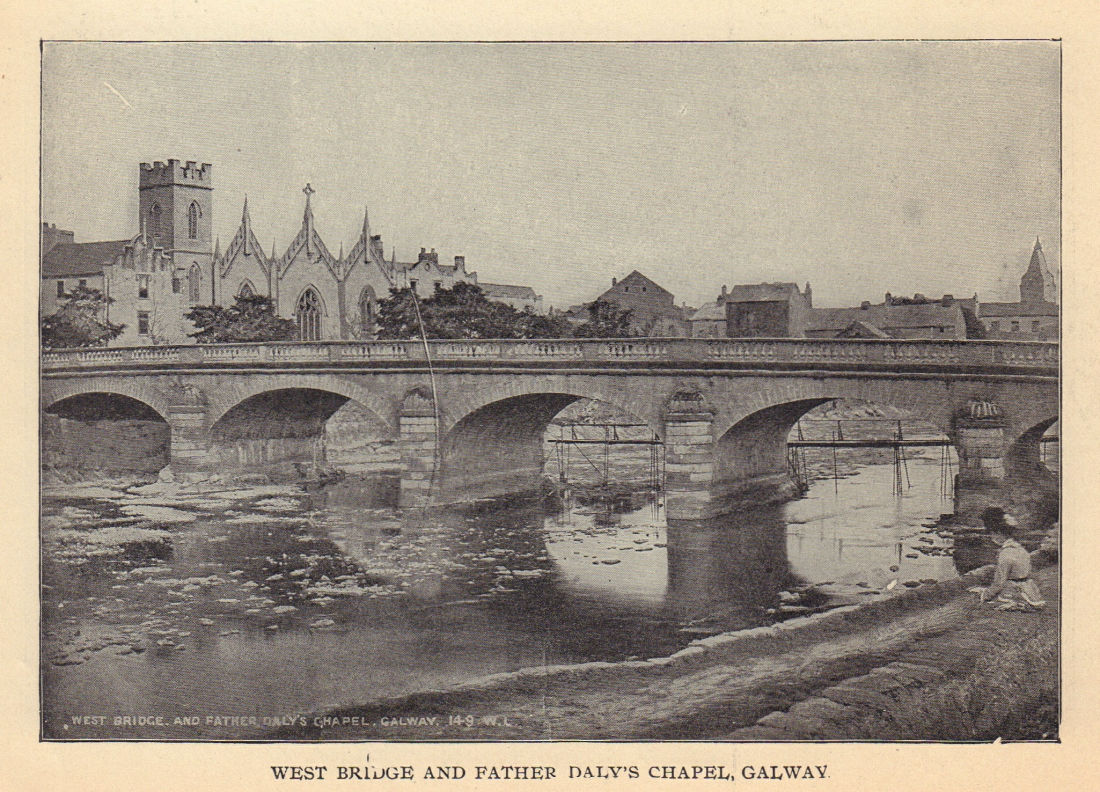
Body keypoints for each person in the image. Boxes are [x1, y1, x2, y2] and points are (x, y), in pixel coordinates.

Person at [976, 506, 1045, 611]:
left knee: (985, 600)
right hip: (1030, 589)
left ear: (998, 533)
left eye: (992, 534)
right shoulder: (1021, 549)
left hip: (1014, 591)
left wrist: (985, 595)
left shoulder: (1005, 554)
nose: (991, 538)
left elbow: (999, 583)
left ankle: (1018, 602)